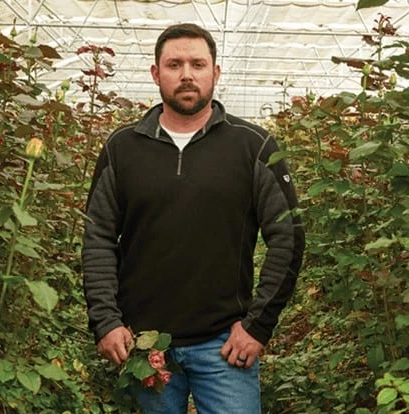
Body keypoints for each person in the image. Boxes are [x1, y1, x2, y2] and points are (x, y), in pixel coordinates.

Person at [82, 22, 304, 413]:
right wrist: (106, 320)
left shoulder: (253, 146)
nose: (187, 74)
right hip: (144, 345)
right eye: (174, 64)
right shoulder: (123, 148)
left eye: (197, 64)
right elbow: (98, 237)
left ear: (215, 72)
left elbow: (288, 236)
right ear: (156, 73)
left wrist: (257, 326)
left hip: (224, 344)